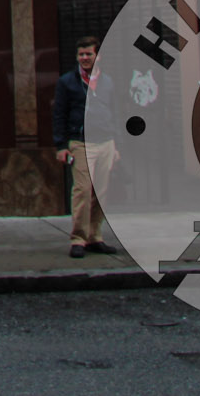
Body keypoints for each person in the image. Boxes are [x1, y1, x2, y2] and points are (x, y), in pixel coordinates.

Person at [52, 36, 116, 258]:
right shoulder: (67, 82)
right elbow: (59, 114)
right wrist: (61, 145)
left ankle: (95, 236)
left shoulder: (107, 82)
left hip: (106, 142)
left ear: (98, 55)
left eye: (89, 54)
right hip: (80, 143)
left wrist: (115, 144)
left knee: (101, 193)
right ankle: (78, 239)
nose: (85, 58)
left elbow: (115, 112)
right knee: (82, 190)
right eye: (81, 54)